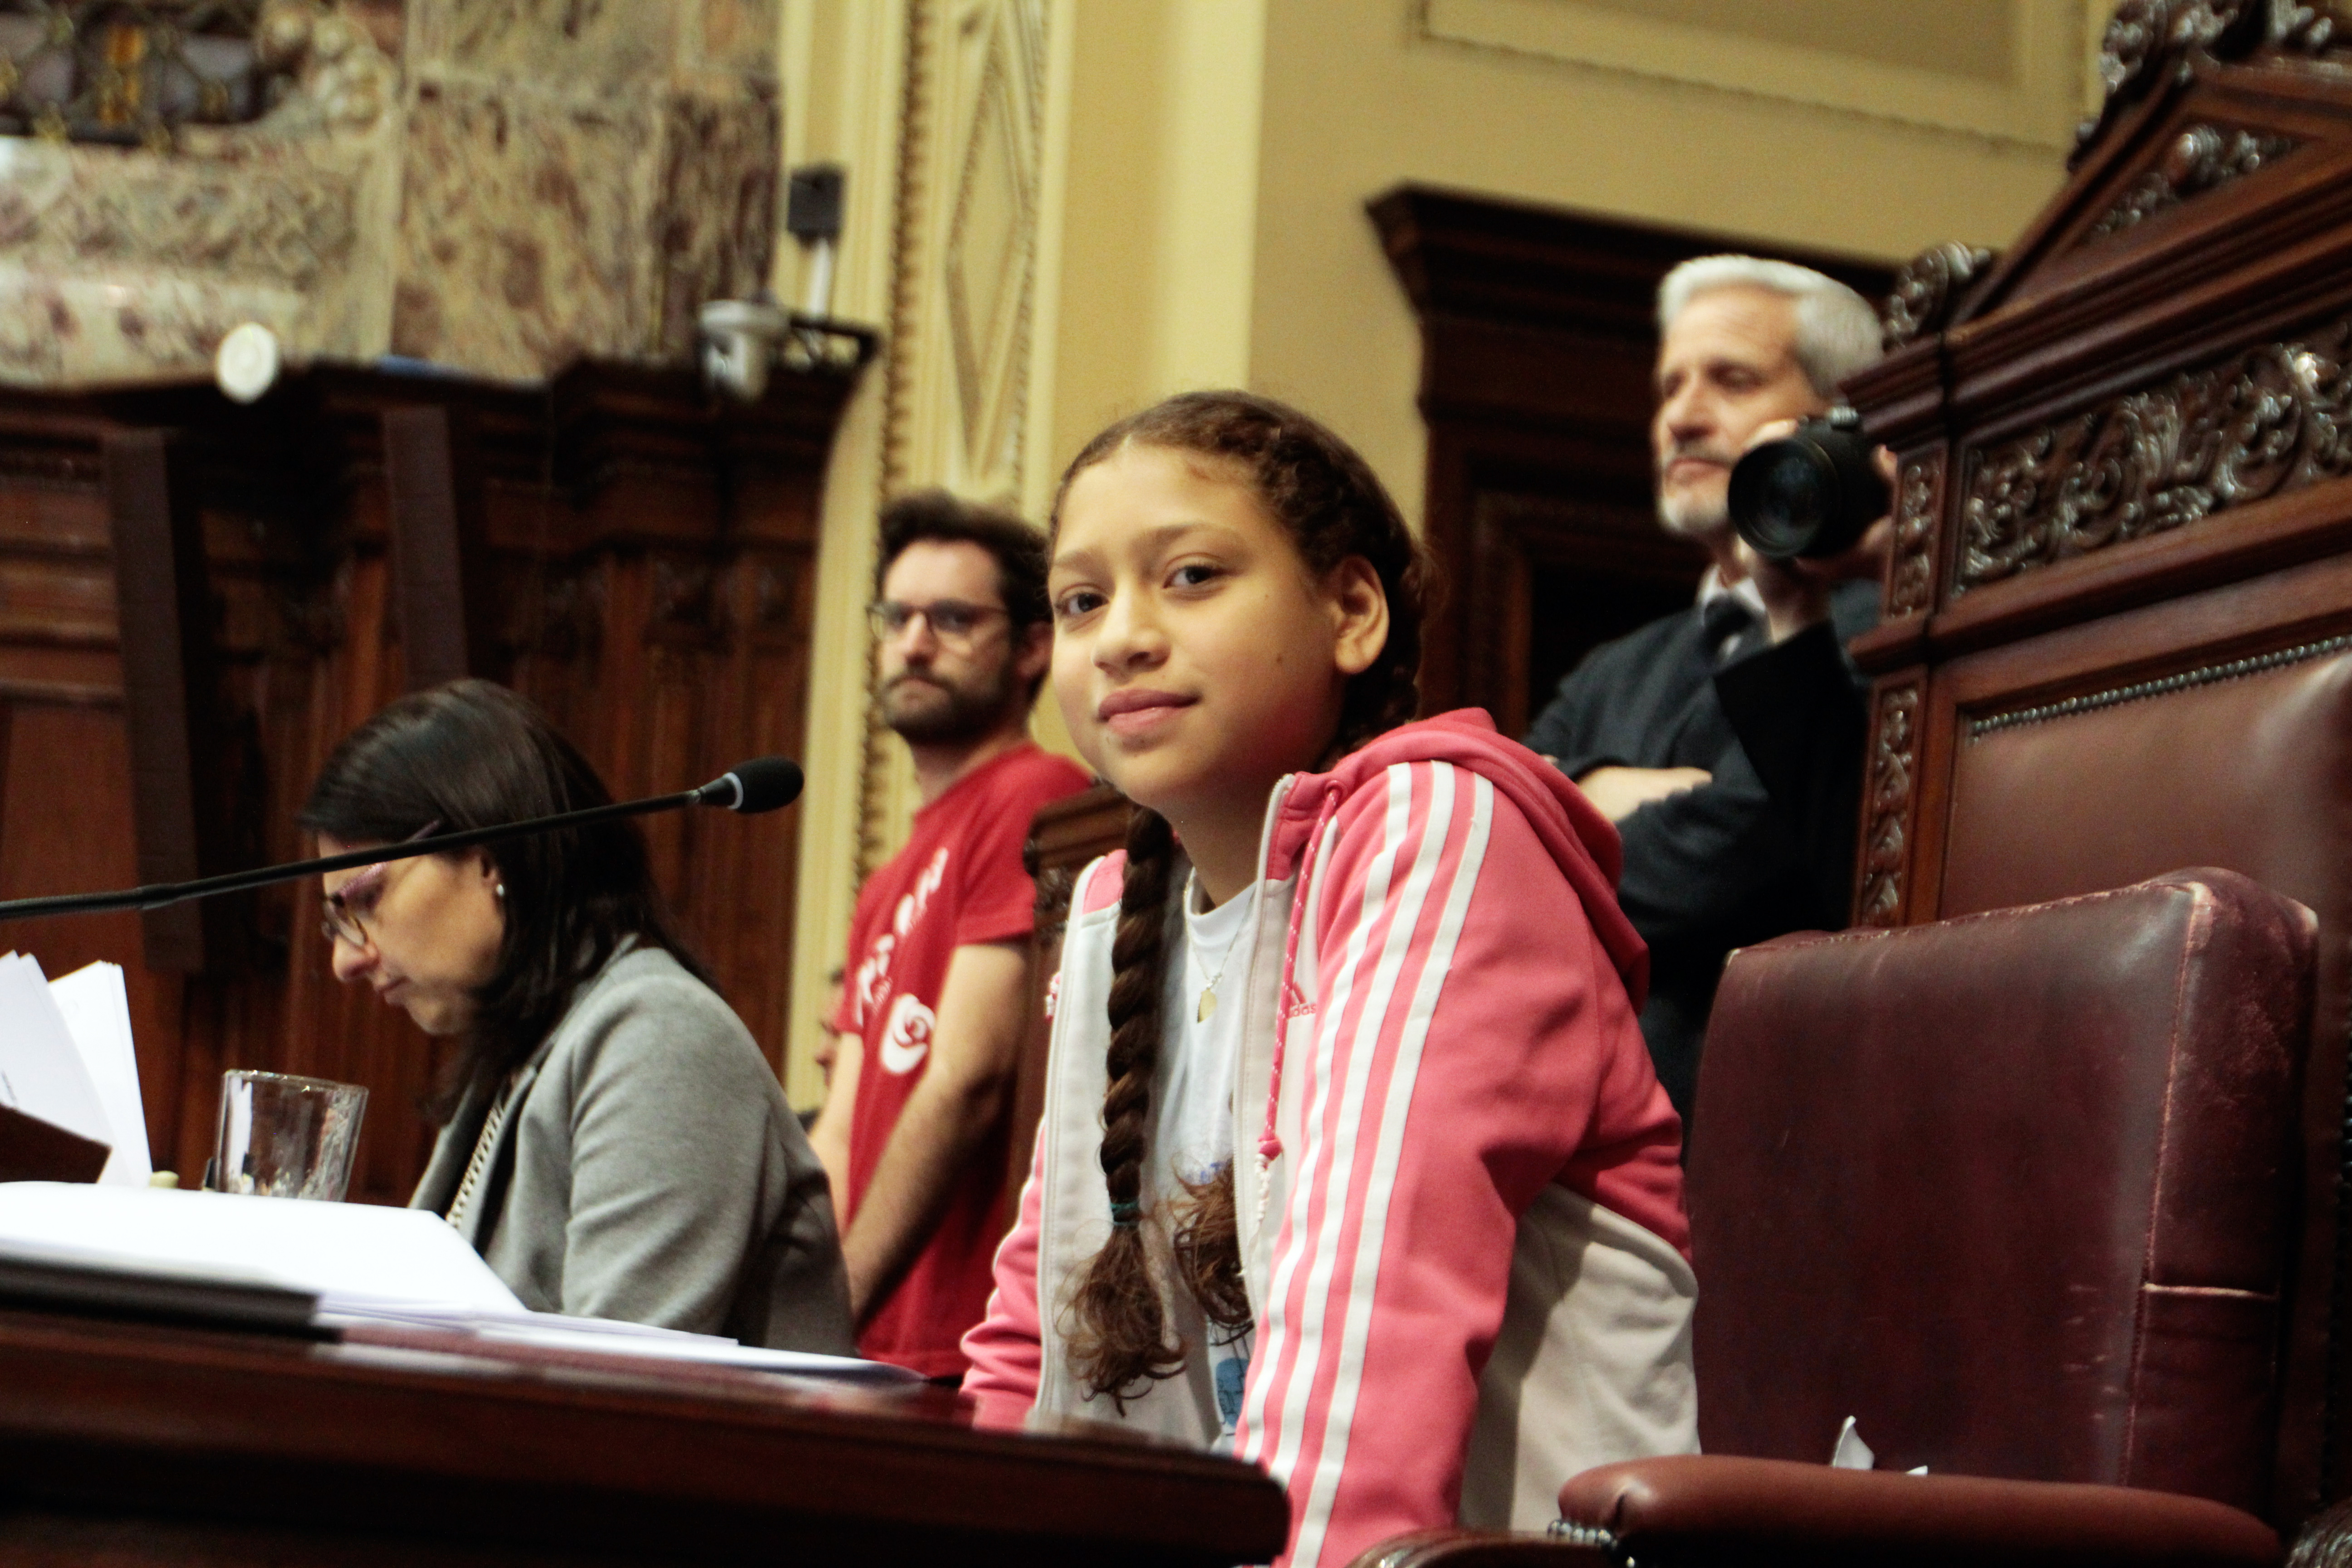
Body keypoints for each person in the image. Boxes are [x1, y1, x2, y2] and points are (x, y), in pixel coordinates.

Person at [962, 392, 1695, 1568]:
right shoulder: (1110, 912)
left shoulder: (1434, 829)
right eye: (1081, 600)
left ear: (1352, 611)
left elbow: (1373, 1321)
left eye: (1192, 576)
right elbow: (1032, 1336)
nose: (1123, 636)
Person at [300, 679, 854, 1353]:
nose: (346, 962)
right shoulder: (527, 1047)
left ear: (487, 855)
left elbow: (612, 1393)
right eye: (337, 924)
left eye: (364, 899)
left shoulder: (659, 1038)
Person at [1521, 255, 1888, 1122]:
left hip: (1758, 1138)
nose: (1682, 418)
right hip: (1563, 1133)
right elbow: (1494, 859)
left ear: (1836, 419)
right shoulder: (1613, 669)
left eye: (1732, 380)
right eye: (1670, 387)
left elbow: (1738, 867)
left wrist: (1570, 800)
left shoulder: (1885, 627)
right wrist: (1613, 791)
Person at [808, 492, 1091, 1377]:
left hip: (965, 1345)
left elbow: (968, 1081)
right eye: (897, 617)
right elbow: (838, 1134)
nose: (914, 643)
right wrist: (790, 1315)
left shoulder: (1034, 791)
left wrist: (831, 1311)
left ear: (1033, 646)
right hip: (865, 1338)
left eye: (953, 619)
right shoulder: (888, 882)